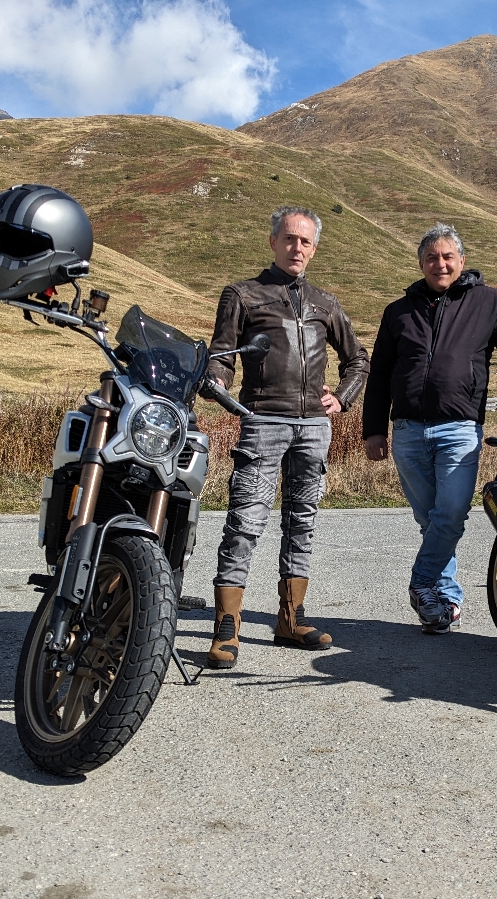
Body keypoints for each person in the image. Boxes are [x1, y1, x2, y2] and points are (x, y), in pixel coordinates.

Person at [363, 223, 497, 633]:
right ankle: (444, 602)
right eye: (431, 257)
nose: (440, 264)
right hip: (407, 431)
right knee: (431, 520)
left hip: (459, 429)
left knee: (451, 514)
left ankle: (422, 583)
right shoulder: (398, 312)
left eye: (448, 256)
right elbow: (380, 375)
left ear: (461, 261)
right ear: (421, 264)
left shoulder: (490, 303)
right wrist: (374, 430)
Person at [206, 206, 369, 669]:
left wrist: (343, 397)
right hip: (263, 421)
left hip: (314, 428)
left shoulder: (325, 303)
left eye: (306, 241)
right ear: (273, 242)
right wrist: (216, 381)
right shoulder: (243, 294)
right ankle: (227, 627)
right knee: (245, 521)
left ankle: (291, 619)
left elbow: (359, 360)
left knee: (302, 522)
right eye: (290, 238)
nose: (297, 248)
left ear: (314, 249)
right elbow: (223, 353)